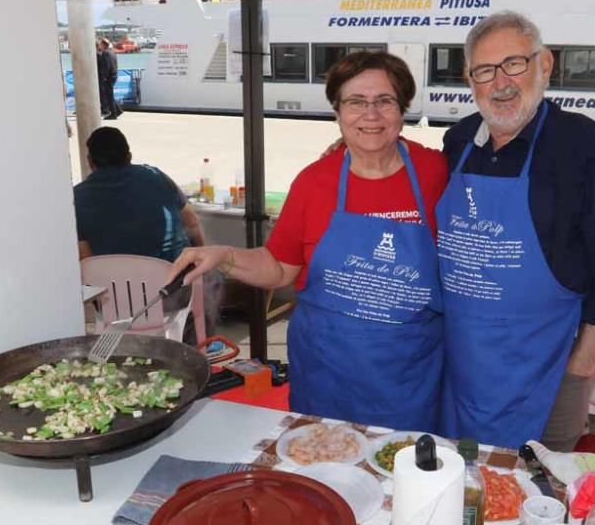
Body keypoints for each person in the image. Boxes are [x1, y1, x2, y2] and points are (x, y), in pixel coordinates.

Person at [168, 51, 448, 431]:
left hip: (409, 376)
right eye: (355, 102)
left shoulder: (436, 172)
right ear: (337, 112)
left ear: (403, 110)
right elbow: (281, 268)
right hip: (327, 372)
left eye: (385, 101)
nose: (371, 114)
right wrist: (223, 256)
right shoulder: (314, 182)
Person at [439, 11, 595, 451]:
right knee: (458, 489)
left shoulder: (584, 147)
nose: (501, 83)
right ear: (469, 80)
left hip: (546, 375)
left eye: (514, 63)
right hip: (460, 368)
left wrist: (580, 368)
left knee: (533, 498)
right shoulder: (458, 140)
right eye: (485, 71)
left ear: (544, 64)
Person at [74, 126, 204, 262]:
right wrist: (200, 264)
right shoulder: (157, 177)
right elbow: (192, 222)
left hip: (114, 280)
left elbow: (86, 259)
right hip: (173, 276)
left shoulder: (76, 198)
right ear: (129, 156)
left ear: (89, 161)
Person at [97, 38, 121, 120]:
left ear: (103, 44)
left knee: (109, 96)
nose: (99, 45)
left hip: (109, 77)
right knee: (110, 95)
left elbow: (107, 66)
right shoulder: (112, 52)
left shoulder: (105, 53)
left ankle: (113, 114)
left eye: (100, 44)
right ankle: (118, 110)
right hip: (113, 75)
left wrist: (104, 77)